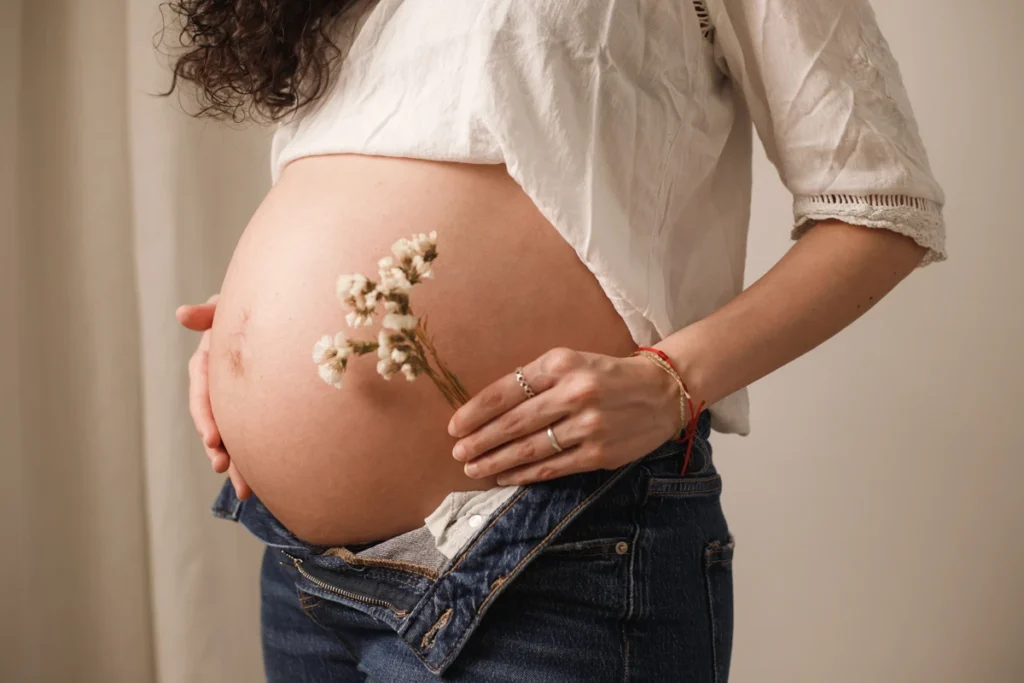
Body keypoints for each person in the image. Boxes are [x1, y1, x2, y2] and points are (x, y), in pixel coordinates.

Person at [168, 0, 946, 680]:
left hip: (545, 557)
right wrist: (247, 327)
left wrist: (673, 378)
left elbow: (882, 206)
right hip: (296, 569)